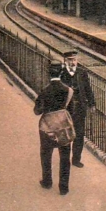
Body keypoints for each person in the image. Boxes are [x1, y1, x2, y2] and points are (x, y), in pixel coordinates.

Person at [34, 60, 73, 195]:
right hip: (63, 127)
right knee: (65, 157)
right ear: (62, 73)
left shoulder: (44, 91)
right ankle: (63, 187)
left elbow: (37, 111)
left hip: (47, 127)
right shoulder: (68, 91)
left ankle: (47, 181)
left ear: (48, 73)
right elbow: (71, 110)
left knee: (46, 154)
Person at [60, 50, 95, 168]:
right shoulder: (61, 73)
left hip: (80, 108)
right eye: (70, 60)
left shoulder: (82, 73)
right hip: (66, 109)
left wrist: (92, 104)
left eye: (74, 60)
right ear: (65, 61)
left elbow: (88, 89)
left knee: (79, 134)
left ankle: (76, 159)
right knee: (66, 134)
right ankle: (65, 159)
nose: (72, 62)